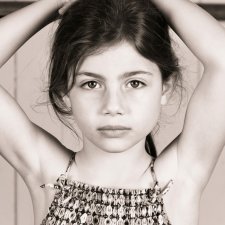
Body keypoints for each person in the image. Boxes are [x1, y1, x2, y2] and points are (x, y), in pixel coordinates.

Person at [0, 0, 225, 224]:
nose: (113, 106)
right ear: (64, 92)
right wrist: (55, 4)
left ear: (165, 87)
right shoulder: (46, 173)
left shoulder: (179, 180)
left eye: (135, 83)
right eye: (91, 84)